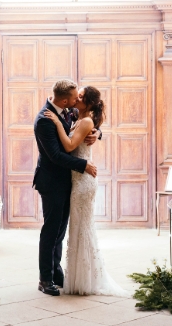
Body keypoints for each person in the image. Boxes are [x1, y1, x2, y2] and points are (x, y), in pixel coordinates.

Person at [44, 86, 130, 297]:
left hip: (83, 182)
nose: (77, 98)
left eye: (81, 97)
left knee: (82, 229)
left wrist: (56, 123)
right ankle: (74, 277)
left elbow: (70, 146)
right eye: (77, 95)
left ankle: (87, 279)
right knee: (77, 229)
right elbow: (88, 131)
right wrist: (98, 133)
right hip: (76, 180)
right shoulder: (76, 115)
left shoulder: (86, 120)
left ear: (89, 103)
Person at [33, 79, 98, 296]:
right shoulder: (44, 120)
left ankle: (56, 272)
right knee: (51, 231)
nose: (76, 100)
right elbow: (56, 155)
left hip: (68, 182)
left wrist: (97, 133)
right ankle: (45, 279)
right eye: (74, 98)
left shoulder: (67, 112)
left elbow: (84, 126)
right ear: (64, 100)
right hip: (51, 181)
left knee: (60, 231)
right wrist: (84, 165)